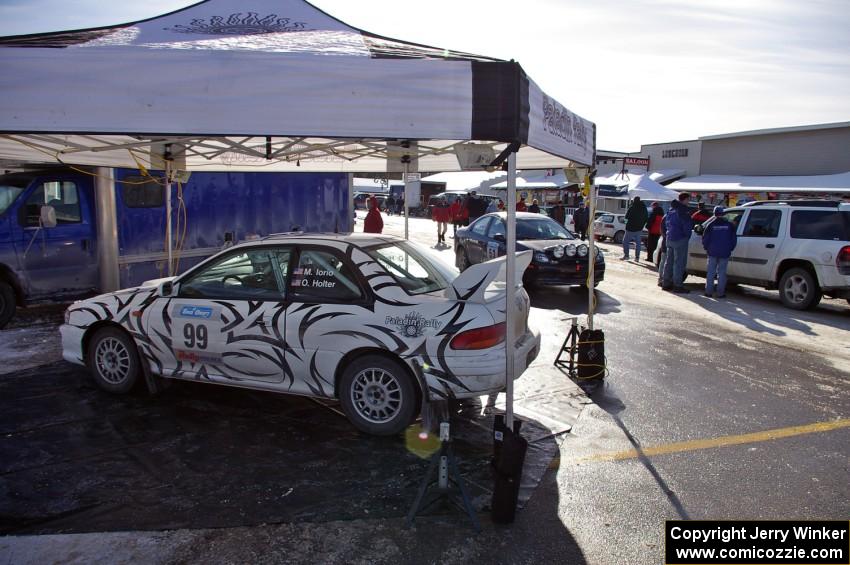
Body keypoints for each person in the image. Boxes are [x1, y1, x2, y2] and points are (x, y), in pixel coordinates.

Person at [661, 193, 694, 293]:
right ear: (685, 199)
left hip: (670, 237)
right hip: (680, 238)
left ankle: (666, 282)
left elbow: (666, 223)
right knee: (679, 263)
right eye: (688, 199)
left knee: (669, 261)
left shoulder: (671, 209)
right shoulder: (683, 211)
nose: (689, 201)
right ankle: (677, 285)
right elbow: (687, 226)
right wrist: (687, 236)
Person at [702, 206, 737, 298]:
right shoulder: (729, 225)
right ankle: (720, 293)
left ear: (714, 213)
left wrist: (707, 248)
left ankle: (708, 292)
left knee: (710, 273)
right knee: (722, 273)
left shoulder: (710, 225)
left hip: (712, 251)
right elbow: (733, 239)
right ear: (723, 214)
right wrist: (730, 248)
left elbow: (705, 239)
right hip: (725, 252)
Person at [622, 196, 648, 260]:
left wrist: (625, 224)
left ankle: (626, 256)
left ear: (634, 200)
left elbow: (626, 217)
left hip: (630, 228)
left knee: (625, 242)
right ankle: (637, 257)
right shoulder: (644, 208)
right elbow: (646, 218)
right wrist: (642, 225)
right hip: (639, 229)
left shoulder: (632, 207)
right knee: (638, 243)